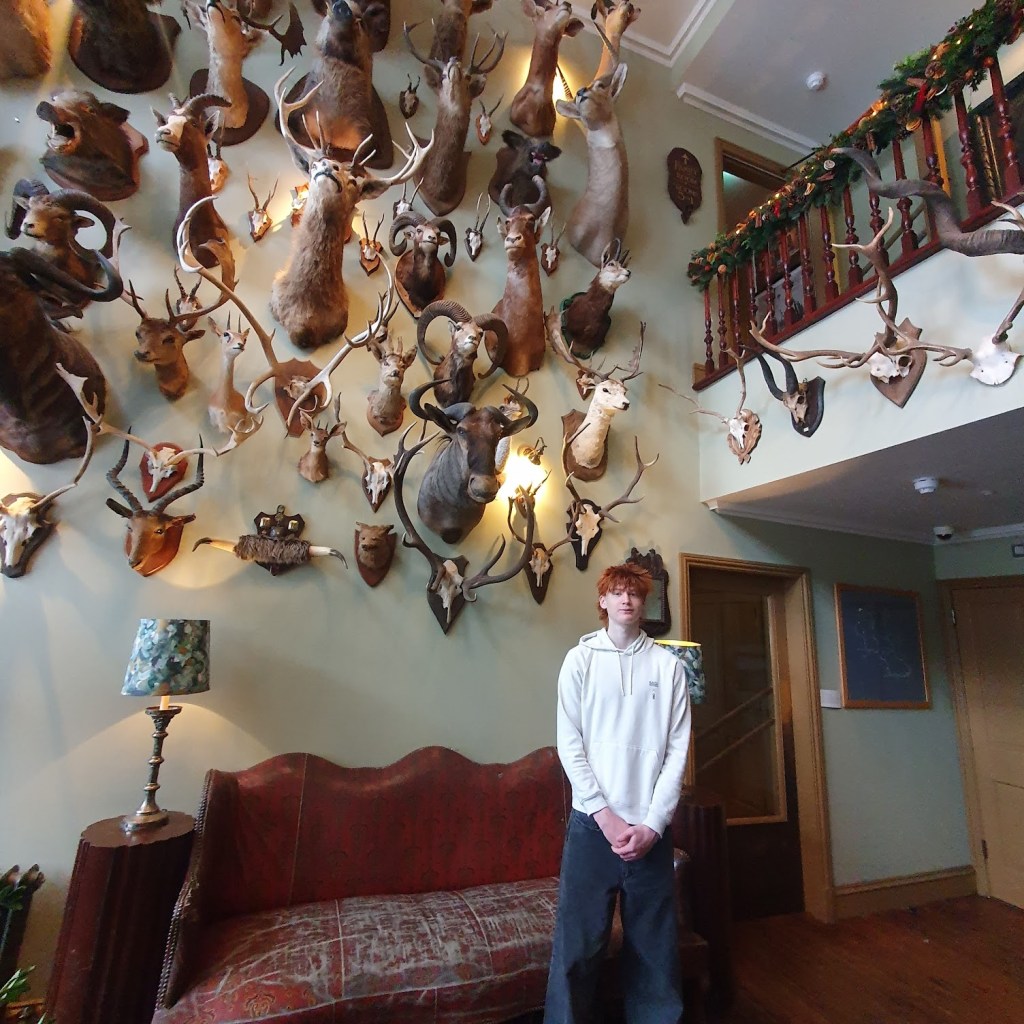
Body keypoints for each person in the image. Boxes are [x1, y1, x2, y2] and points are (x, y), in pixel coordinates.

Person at [544, 562, 692, 1024]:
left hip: (650, 833)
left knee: (655, 955)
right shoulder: (580, 660)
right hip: (592, 830)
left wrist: (653, 825)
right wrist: (604, 816)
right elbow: (570, 745)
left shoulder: (669, 667)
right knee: (577, 951)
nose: (626, 599)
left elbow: (677, 752)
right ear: (603, 601)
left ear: (644, 603)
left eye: (635, 593)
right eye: (617, 592)